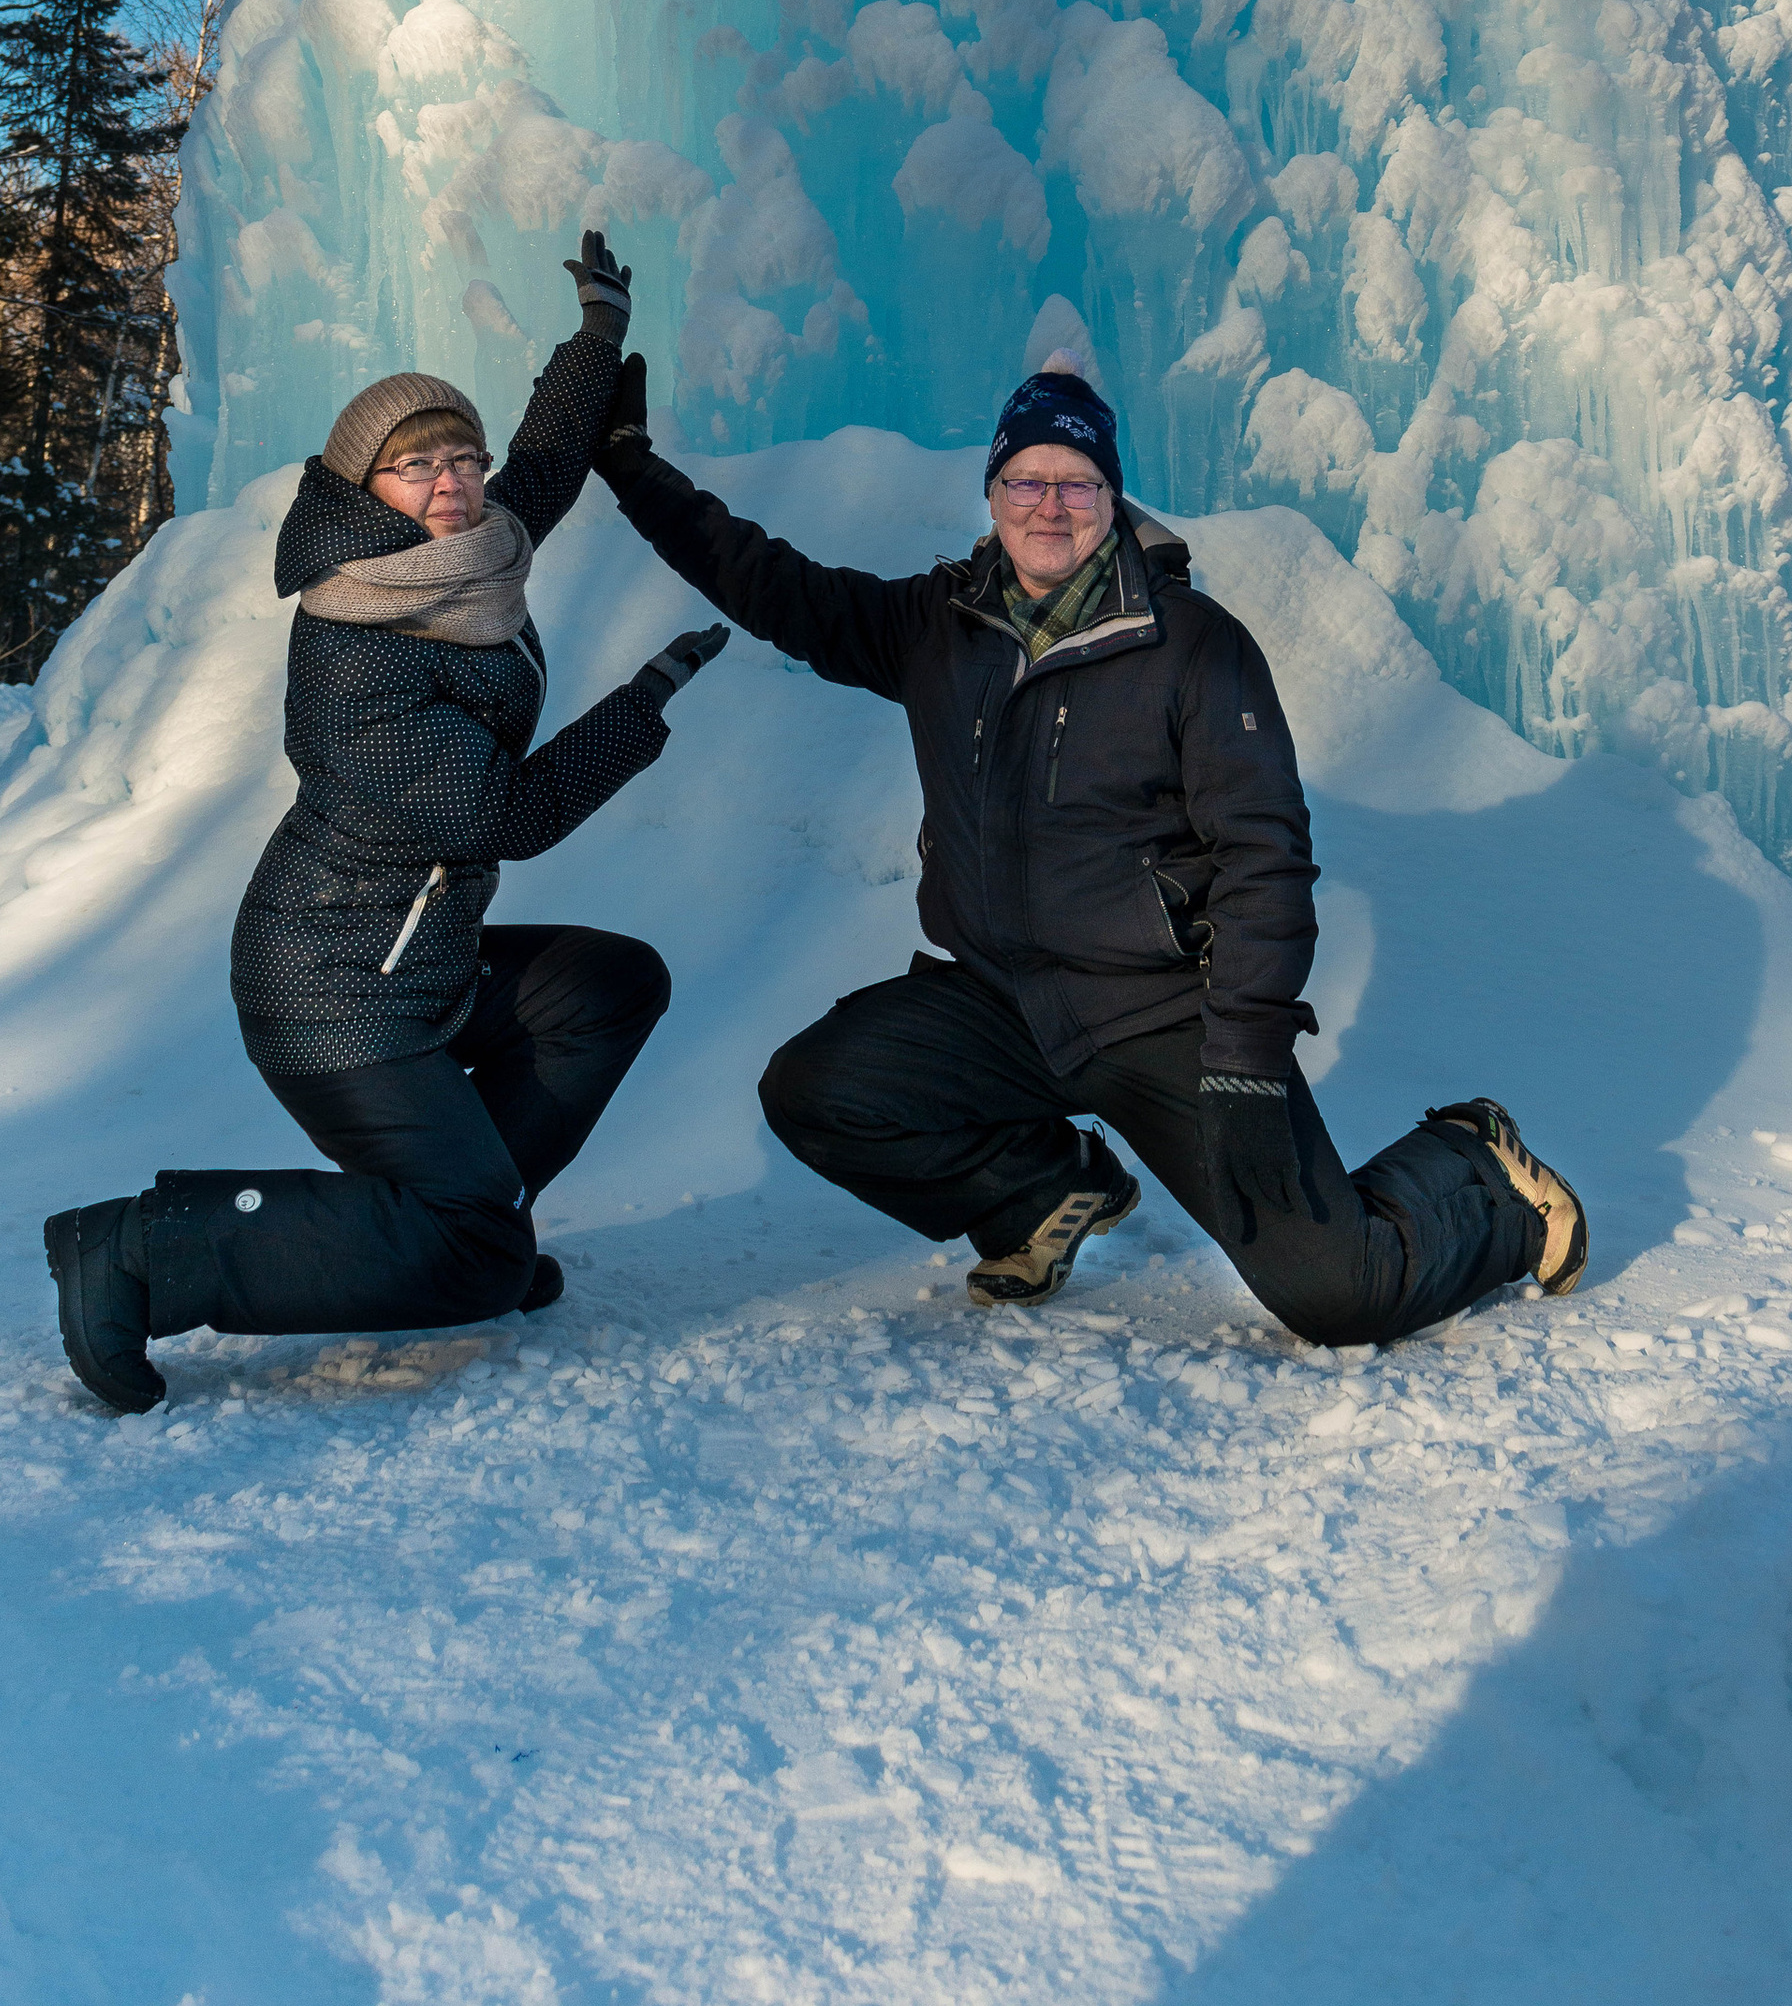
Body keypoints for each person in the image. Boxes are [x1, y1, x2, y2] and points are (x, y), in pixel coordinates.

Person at [590, 352, 1583, 1345]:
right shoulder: (938, 626)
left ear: (1110, 497)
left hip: (1161, 1017)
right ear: (991, 493)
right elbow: (770, 583)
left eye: (1076, 481)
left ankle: (1473, 1166)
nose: (1049, 504)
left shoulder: (1192, 645)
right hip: (998, 1003)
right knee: (817, 1090)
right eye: (1026, 478)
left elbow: (1264, 859)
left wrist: (1242, 1050)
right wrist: (631, 465)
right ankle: (1037, 1194)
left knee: (1340, 1294)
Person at [43, 231, 725, 1413]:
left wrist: (597, 334)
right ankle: (141, 1249)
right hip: (334, 988)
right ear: (365, 492)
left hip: (421, 955)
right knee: (467, 1255)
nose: (454, 478)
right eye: (418, 466)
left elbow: (545, 468)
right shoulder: (357, 643)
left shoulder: (465, 559)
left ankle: (476, 1220)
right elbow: (513, 814)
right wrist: (643, 700)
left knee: (610, 985)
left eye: (459, 455)